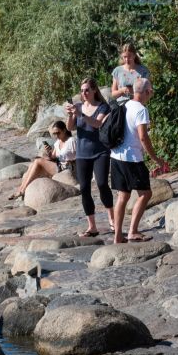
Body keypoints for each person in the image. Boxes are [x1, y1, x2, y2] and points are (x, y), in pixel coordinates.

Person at [110, 78, 167, 244]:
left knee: (123, 196)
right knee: (145, 193)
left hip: (116, 156)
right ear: (146, 92)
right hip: (132, 159)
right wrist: (156, 159)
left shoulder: (125, 105)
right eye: (151, 90)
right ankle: (133, 231)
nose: (152, 93)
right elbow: (143, 136)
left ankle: (117, 236)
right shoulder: (141, 110)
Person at [66, 77, 114, 237]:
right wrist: (71, 115)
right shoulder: (78, 106)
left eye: (87, 90)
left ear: (94, 90)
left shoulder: (103, 107)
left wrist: (81, 115)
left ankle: (112, 220)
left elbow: (97, 124)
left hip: (100, 151)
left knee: (102, 184)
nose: (84, 93)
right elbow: (69, 127)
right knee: (84, 188)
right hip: (82, 153)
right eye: (82, 90)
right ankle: (92, 226)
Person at [8, 121, 75, 200]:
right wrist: (49, 152)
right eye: (54, 134)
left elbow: (80, 155)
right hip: (59, 164)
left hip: (68, 167)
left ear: (64, 130)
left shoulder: (71, 141)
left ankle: (23, 190)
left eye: (58, 133)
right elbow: (53, 156)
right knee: (33, 163)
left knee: (38, 162)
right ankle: (20, 188)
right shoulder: (57, 143)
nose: (56, 135)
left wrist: (71, 160)